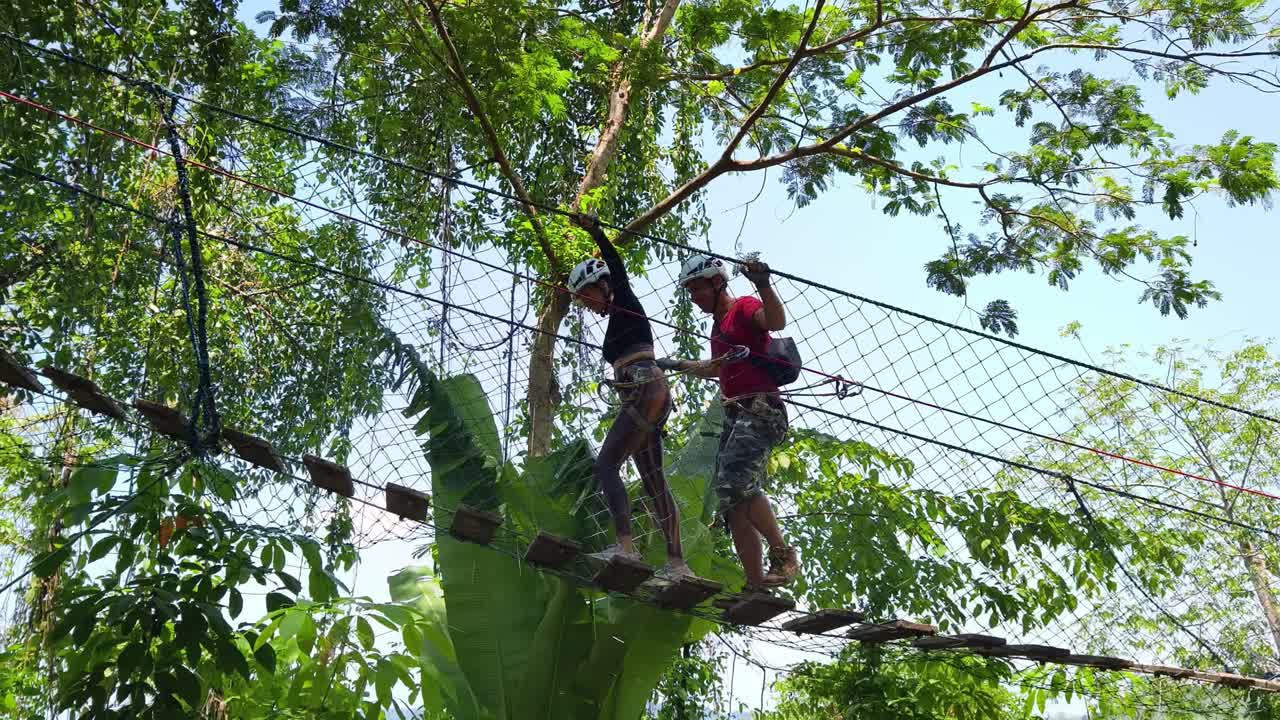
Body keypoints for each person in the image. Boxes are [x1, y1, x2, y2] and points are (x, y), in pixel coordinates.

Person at [658, 254, 800, 591]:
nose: (693, 298)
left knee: (734, 484)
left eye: (697, 289)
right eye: (690, 291)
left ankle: (784, 555)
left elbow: (775, 320)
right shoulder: (718, 326)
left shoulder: (743, 308)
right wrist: (675, 364)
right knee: (731, 501)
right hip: (737, 413)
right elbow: (716, 367)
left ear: (717, 283)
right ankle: (756, 585)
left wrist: (763, 285)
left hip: (761, 408)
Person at [566, 213, 689, 580]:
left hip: (642, 388)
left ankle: (625, 546)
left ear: (600, 284)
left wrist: (595, 230)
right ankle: (678, 564)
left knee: (606, 465)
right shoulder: (623, 317)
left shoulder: (623, 299)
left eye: (584, 295)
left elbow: (616, 265)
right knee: (653, 480)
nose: (585, 304)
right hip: (651, 390)